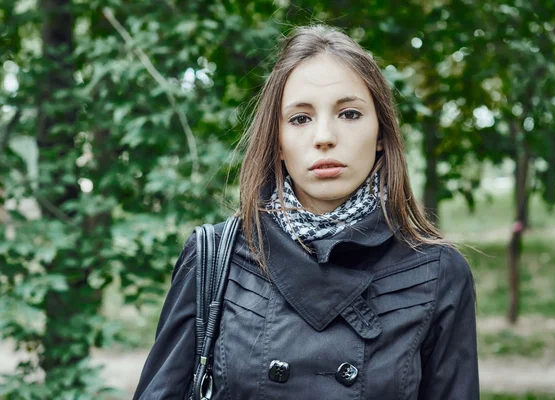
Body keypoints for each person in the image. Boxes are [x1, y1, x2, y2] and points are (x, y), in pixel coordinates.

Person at [133, 24, 479, 400]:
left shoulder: (437, 271)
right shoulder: (215, 258)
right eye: (300, 118)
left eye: (349, 114)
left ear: (381, 133)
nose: (324, 136)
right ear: (277, 142)